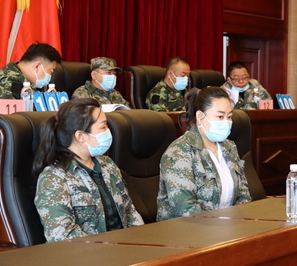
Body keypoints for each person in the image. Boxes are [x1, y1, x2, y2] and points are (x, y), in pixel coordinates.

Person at [33, 98, 143, 242]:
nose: (108, 132)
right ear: (80, 136)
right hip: (87, 253)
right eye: (103, 127)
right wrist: (107, 250)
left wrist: (141, 241)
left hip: (125, 248)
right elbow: (62, 235)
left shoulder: (107, 165)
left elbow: (129, 210)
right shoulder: (54, 177)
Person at [156, 87, 251, 221]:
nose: (226, 122)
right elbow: (185, 209)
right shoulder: (179, 152)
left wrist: (240, 222)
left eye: (229, 116)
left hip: (229, 226)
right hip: (187, 229)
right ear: (200, 117)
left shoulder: (229, 147)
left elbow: (243, 194)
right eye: (220, 117)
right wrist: (221, 227)